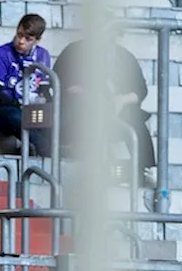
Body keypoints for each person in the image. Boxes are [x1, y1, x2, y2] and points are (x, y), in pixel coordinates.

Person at [53, 39, 158, 183]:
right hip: (79, 112)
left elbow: (140, 90)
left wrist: (121, 100)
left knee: (136, 123)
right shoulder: (73, 52)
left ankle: (148, 170)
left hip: (116, 112)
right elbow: (61, 84)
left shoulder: (124, 56)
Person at [0, 13, 53, 156]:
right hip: (3, 111)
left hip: (31, 111)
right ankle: (47, 148)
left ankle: (41, 147)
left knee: (56, 114)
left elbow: (45, 92)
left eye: (28, 39)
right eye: (19, 34)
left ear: (37, 40)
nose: (21, 41)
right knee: (16, 116)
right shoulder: (1, 54)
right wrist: (19, 105)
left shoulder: (43, 56)